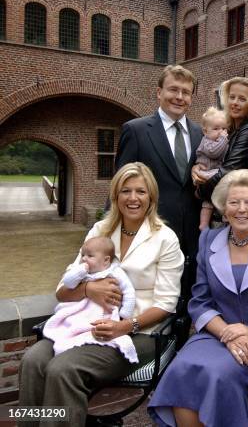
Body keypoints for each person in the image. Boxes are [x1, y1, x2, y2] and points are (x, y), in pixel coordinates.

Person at [19, 162, 184, 427]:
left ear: (151, 197)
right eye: (125, 191)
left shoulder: (165, 239)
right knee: (33, 360)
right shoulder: (99, 231)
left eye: (140, 191)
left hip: (140, 332)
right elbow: (63, 291)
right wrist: (87, 288)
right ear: (115, 196)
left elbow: (166, 304)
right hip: (83, 325)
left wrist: (124, 326)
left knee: (64, 370)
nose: (133, 198)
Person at [148, 169, 248, 427]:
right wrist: (228, 333)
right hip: (215, 336)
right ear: (223, 207)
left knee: (216, 374)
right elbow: (199, 302)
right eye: (234, 202)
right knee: (180, 369)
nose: (241, 209)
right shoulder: (209, 239)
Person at [115, 64, 202, 258]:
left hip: (193, 240)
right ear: (159, 92)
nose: (179, 97)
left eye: (186, 92)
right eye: (173, 89)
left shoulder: (201, 134)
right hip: (148, 236)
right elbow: (119, 186)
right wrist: (108, 234)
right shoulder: (136, 131)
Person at [42, 236, 138, 361]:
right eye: (83, 255)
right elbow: (68, 283)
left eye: (90, 256)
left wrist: (125, 315)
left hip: (102, 313)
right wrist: (79, 273)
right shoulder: (82, 272)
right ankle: (71, 331)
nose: (84, 259)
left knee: (99, 325)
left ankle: (82, 335)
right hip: (78, 310)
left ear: (106, 260)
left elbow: (129, 291)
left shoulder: (116, 272)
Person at [192, 76, 248, 213]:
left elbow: (228, 172)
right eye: (232, 97)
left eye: (242, 99)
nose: (235, 102)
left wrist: (200, 192)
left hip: (237, 208)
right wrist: (198, 167)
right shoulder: (228, 129)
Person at [194, 106, 229, 230]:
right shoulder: (206, 142)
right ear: (205, 131)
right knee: (207, 202)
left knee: (213, 200)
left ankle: (225, 215)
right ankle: (203, 223)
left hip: (213, 176)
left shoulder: (221, 141)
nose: (221, 132)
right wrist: (224, 139)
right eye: (216, 128)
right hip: (206, 174)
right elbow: (214, 152)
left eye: (224, 128)